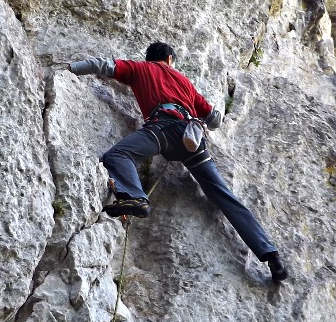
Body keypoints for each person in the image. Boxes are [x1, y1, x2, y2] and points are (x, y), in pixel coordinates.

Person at [68, 42, 288, 282]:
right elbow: (214, 120)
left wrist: (71, 68)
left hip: (161, 130)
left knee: (118, 156)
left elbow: (101, 65)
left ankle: (135, 197)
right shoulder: (185, 82)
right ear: (170, 59)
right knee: (223, 195)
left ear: (150, 58)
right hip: (191, 137)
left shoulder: (140, 69)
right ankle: (271, 256)